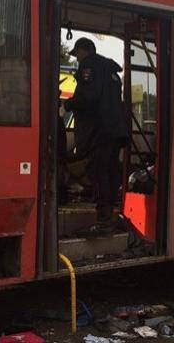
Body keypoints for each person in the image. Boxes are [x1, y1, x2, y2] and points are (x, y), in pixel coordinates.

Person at [63, 37, 129, 236]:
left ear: (85, 51)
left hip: (100, 131)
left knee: (98, 173)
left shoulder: (90, 64)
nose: (77, 60)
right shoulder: (110, 69)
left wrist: (67, 105)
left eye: (77, 55)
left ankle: (103, 222)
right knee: (109, 172)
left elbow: (89, 97)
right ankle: (112, 215)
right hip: (116, 131)